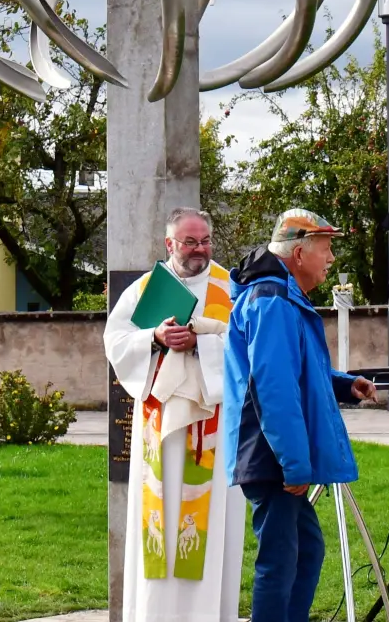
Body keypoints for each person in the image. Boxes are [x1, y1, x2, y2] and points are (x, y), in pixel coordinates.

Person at [221, 209, 376, 622]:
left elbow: (298, 367)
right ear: (300, 252)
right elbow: (274, 389)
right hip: (268, 454)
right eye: (326, 248)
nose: (331, 258)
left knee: (306, 550)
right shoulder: (271, 300)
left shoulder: (281, 296)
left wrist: (344, 384)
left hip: (270, 452)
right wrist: (294, 463)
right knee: (280, 561)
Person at [104, 207, 247, 622]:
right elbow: (116, 339)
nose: (199, 249)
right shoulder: (148, 287)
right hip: (159, 428)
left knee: (209, 526)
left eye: (205, 241)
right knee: (159, 525)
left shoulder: (229, 287)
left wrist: (200, 344)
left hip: (213, 432)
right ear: (170, 244)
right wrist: (155, 335)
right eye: (190, 242)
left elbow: (246, 345)